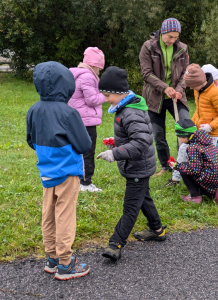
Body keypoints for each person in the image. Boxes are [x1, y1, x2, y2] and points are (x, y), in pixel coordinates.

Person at [26, 61, 92, 280]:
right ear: (66, 84)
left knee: (49, 213)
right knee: (64, 215)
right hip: (67, 171)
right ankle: (65, 264)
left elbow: (30, 140)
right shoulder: (69, 113)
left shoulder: (33, 110)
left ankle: (52, 258)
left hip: (46, 170)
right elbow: (84, 145)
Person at [96, 67, 166, 261]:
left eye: (108, 95)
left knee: (131, 207)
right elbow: (133, 136)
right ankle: (157, 229)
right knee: (143, 198)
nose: (106, 99)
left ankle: (115, 243)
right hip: (137, 165)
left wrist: (115, 153)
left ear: (119, 93)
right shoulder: (125, 109)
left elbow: (141, 142)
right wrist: (117, 142)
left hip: (138, 166)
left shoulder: (130, 112)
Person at [139, 18, 190, 176]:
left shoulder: (182, 48)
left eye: (176, 37)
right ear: (162, 33)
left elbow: (185, 73)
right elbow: (146, 74)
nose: (172, 40)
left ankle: (183, 164)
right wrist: (165, 87)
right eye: (170, 37)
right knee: (158, 134)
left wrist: (180, 89)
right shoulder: (148, 47)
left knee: (185, 129)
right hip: (155, 97)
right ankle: (166, 165)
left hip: (177, 96)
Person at [69, 47, 106, 192]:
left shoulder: (79, 74)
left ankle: (77, 179)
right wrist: (107, 96)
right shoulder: (88, 76)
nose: (100, 71)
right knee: (88, 151)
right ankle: (85, 182)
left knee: (78, 150)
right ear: (95, 65)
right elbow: (92, 99)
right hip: (86, 121)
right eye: (99, 68)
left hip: (79, 120)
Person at [169, 119, 218, 206]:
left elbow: (194, 169)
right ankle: (217, 194)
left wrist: (177, 166)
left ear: (186, 136)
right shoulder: (205, 140)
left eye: (181, 138)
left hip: (209, 176)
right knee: (202, 178)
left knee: (184, 168)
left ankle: (195, 196)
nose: (180, 140)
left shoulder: (193, 147)